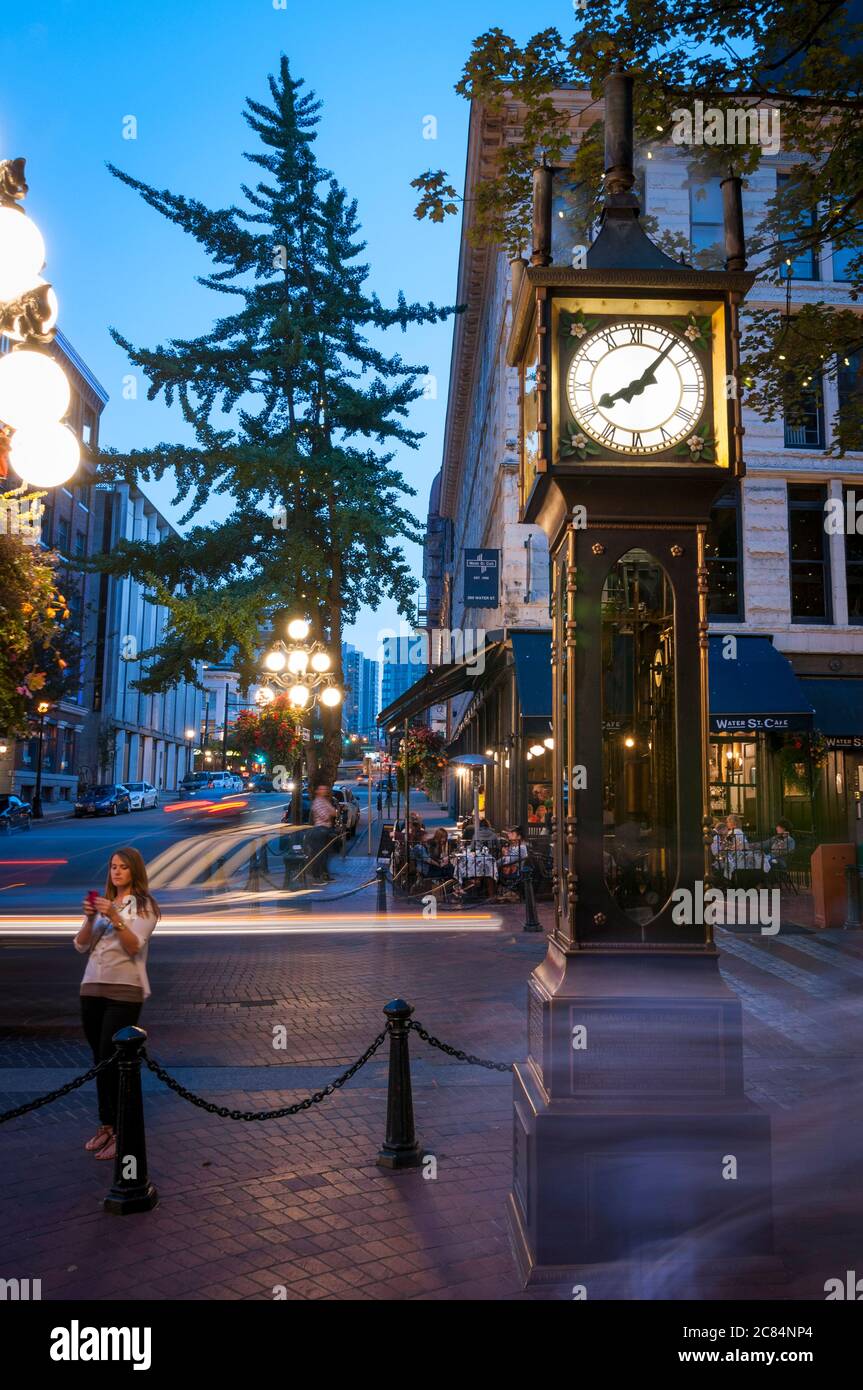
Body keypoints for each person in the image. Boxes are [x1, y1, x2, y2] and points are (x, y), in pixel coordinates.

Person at [74, 848, 160, 1162]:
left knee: (115, 1061)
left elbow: (135, 946)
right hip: (92, 986)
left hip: (125, 990)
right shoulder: (103, 906)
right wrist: (90, 918)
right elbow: (81, 945)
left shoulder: (144, 906)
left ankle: (123, 1132)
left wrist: (115, 918)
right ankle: (107, 1125)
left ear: (134, 871)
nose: (117, 872)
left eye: (123, 867)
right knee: (99, 1060)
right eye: (113, 867)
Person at [307, 784, 340, 883]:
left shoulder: (324, 801)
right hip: (320, 830)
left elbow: (335, 813)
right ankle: (317, 875)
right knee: (320, 854)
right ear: (317, 791)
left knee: (325, 854)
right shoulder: (318, 802)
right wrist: (331, 812)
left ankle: (323, 874)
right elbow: (325, 816)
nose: (324, 791)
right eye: (322, 789)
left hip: (325, 830)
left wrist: (332, 812)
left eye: (325, 789)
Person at [498, 826, 529, 894]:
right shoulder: (514, 846)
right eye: (509, 833)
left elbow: (510, 860)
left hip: (516, 870)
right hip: (510, 867)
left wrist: (505, 853)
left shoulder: (521, 847)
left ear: (519, 836)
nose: (509, 834)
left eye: (512, 833)